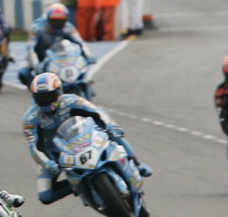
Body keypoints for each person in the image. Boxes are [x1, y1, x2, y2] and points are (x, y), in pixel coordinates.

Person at [22, 72, 151, 204]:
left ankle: (137, 163)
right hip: (55, 155)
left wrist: (111, 126)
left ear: (59, 92)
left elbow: (98, 111)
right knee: (45, 196)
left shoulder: (72, 100)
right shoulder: (30, 119)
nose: (45, 100)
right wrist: (48, 163)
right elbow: (34, 148)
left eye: (49, 96)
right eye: (41, 97)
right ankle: (77, 185)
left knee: (115, 135)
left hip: (84, 138)